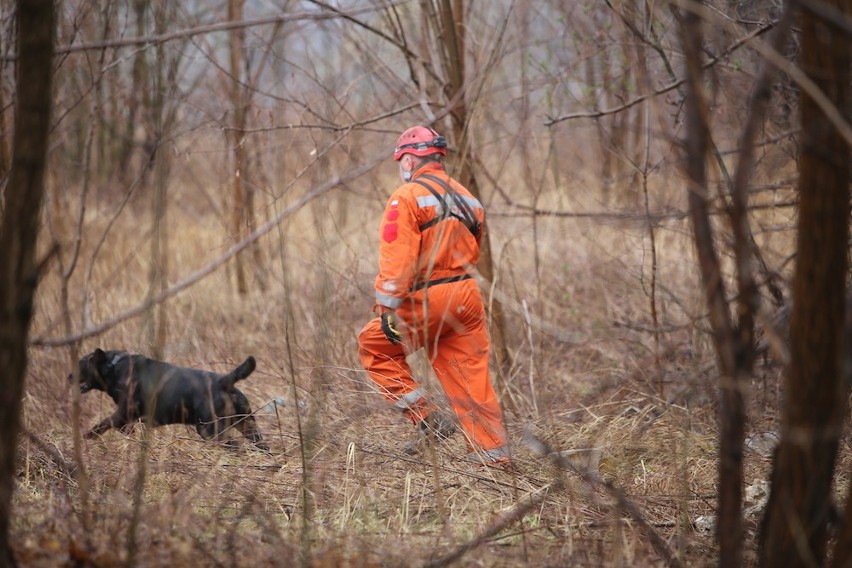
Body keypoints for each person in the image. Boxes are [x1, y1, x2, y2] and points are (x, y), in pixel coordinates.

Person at [357, 125, 510, 466]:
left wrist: (387, 308)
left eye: (401, 161)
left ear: (409, 160)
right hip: (468, 297)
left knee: (373, 346)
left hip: (429, 297)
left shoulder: (407, 196)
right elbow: (476, 249)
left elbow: (398, 260)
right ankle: (494, 459)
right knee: (470, 377)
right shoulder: (470, 199)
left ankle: (427, 418)